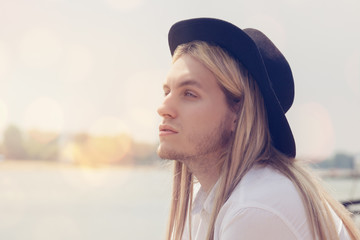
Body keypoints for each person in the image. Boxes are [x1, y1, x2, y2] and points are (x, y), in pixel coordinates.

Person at [156, 18, 360, 240]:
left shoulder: (255, 207)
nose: (163, 108)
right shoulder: (205, 201)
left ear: (238, 113)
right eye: (167, 91)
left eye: (189, 94)